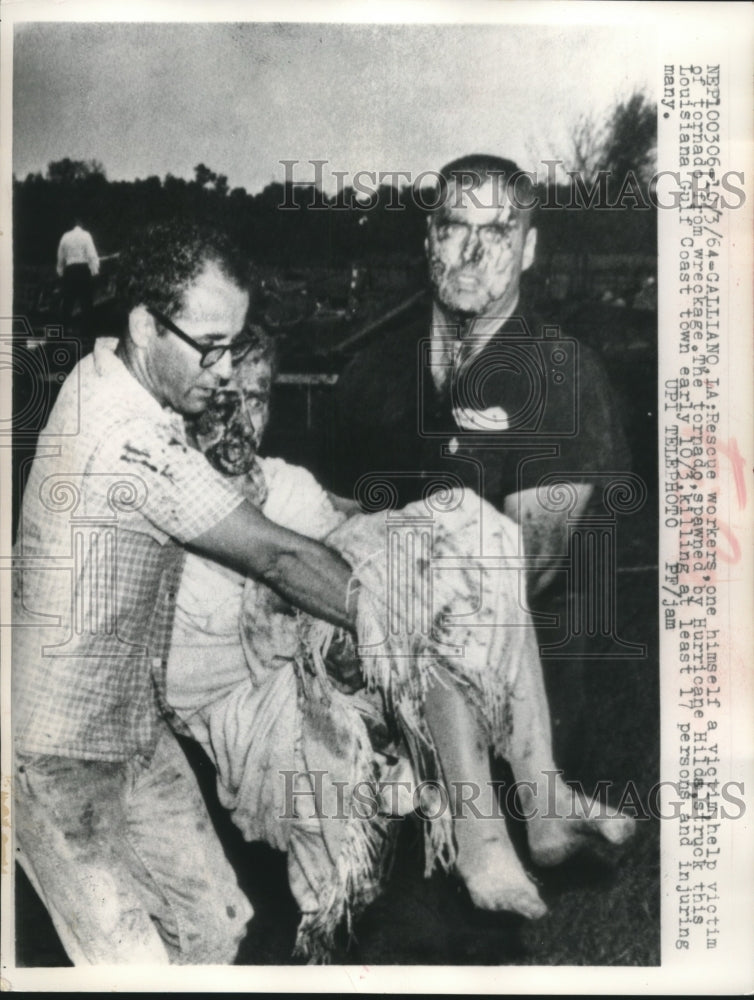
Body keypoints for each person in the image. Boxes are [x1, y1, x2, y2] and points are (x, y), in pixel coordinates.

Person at [165, 329, 636, 961]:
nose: (239, 418)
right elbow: (198, 667)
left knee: (467, 523)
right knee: (411, 581)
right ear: (187, 398)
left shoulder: (285, 484)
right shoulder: (170, 499)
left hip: (348, 686)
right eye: (221, 397)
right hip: (259, 727)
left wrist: (445, 536)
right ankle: (482, 835)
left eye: (256, 396)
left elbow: (356, 535)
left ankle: (540, 798)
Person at [12, 218, 361, 965]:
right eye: (210, 347)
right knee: (130, 965)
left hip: (132, 731)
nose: (228, 370)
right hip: (50, 753)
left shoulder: (113, 377)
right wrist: (398, 624)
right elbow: (276, 558)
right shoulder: (126, 436)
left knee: (219, 929)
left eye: (234, 345)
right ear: (144, 325)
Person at [333, 154, 633, 763]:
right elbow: (330, 528)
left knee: (505, 853)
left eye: (497, 233)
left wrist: (379, 603)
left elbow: (528, 563)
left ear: (527, 250)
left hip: (516, 720)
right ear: (429, 239)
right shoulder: (370, 373)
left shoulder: (561, 375)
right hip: (376, 701)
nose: (472, 254)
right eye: (454, 227)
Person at [56, 216, 100, 334]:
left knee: (67, 303)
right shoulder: (86, 235)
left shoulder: (65, 237)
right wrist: (95, 271)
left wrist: (60, 273)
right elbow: (92, 255)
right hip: (82, 270)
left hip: (70, 271)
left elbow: (60, 257)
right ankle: (88, 331)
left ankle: (63, 330)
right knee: (86, 302)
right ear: (81, 224)